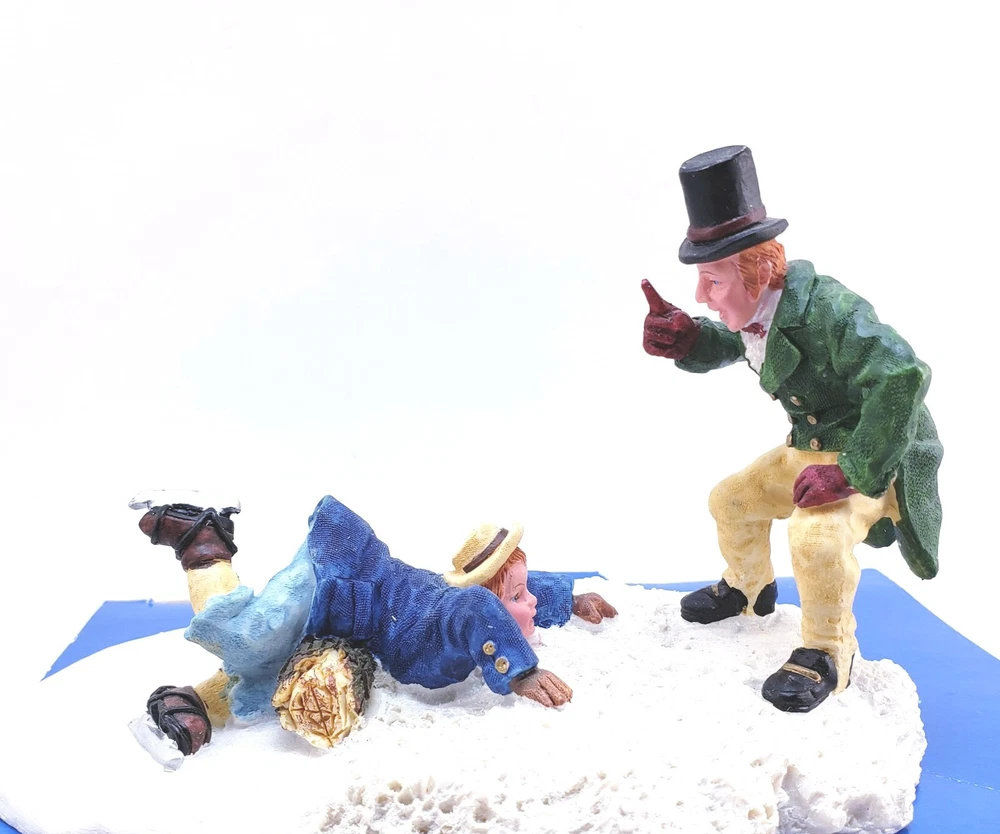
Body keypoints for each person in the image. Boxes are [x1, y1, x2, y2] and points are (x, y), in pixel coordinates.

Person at [640, 145, 942, 713]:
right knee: (731, 500)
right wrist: (690, 339)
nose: (702, 295)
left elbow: (903, 376)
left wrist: (851, 472)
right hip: (807, 451)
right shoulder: (762, 308)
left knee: (816, 538)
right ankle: (749, 588)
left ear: (755, 273)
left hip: (869, 455)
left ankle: (827, 652)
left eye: (712, 281)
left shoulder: (830, 311)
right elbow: (739, 342)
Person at [135, 496, 616, 755]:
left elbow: (501, 598)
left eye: (526, 593)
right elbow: (479, 606)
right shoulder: (456, 613)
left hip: (343, 610)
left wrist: (569, 600)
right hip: (336, 577)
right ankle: (202, 536)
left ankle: (195, 704)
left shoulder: (456, 603)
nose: (530, 602)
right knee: (248, 637)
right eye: (517, 596)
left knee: (271, 670)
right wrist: (521, 672)